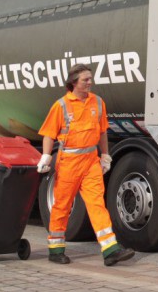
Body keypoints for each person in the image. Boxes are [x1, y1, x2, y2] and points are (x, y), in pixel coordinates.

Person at [36, 64, 135, 266]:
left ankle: (110, 250)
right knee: (62, 205)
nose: (90, 82)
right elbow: (48, 133)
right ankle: (55, 250)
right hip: (68, 163)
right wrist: (46, 157)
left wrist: (105, 155)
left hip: (90, 162)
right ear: (74, 82)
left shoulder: (97, 102)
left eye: (90, 78)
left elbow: (102, 132)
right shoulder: (61, 105)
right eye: (85, 80)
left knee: (97, 203)